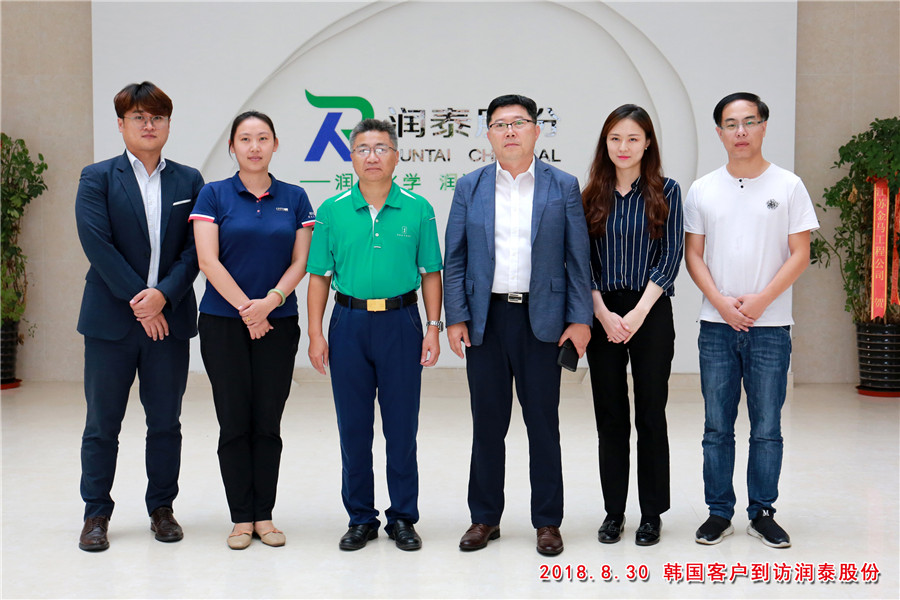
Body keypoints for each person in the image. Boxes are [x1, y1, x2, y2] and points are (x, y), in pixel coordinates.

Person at [444, 94, 592, 556]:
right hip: (486, 320)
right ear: (488, 134)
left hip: (542, 321)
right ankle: (484, 517)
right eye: (500, 124)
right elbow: (455, 258)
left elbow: (577, 259)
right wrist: (456, 317)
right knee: (487, 424)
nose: (510, 131)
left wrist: (580, 319)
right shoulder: (469, 186)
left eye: (519, 122)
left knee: (543, 424)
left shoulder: (562, 186)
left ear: (536, 130)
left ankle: (547, 521)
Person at [684, 92, 819, 548]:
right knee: (716, 426)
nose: (740, 131)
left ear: (763, 126)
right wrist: (721, 304)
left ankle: (762, 511)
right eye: (731, 123)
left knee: (766, 427)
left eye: (749, 121)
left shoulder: (789, 186)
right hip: (716, 325)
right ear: (719, 132)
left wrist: (761, 301)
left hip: (771, 327)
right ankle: (718, 512)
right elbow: (693, 255)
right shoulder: (703, 188)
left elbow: (800, 253)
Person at [75, 81, 204, 552]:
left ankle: (162, 509)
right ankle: (96, 514)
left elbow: (196, 250)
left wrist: (162, 297)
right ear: (121, 124)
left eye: (157, 117)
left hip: (168, 322)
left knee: (165, 422)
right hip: (111, 323)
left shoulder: (189, 181)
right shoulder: (97, 178)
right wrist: (141, 300)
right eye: (138, 117)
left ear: (168, 124)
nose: (148, 125)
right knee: (102, 424)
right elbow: (97, 245)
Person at [307, 118, 443, 552]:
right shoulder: (331, 210)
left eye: (381, 148)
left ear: (396, 156)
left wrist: (433, 327)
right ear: (351, 157)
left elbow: (431, 272)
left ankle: (402, 517)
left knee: (402, 428)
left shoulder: (418, 208)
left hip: (402, 323)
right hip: (348, 323)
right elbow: (318, 276)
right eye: (363, 149)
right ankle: (360, 518)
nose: (372, 156)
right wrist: (315, 333)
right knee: (353, 428)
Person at [189, 111, 315, 550]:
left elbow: (301, 261)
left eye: (263, 138)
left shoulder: (295, 197)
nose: (254, 146)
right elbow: (207, 261)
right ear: (233, 147)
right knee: (233, 421)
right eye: (245, 139)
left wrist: (269, 304)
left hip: (278, 323)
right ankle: (241, 518)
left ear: (275, 144)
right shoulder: (213, 194)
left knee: (267, 421)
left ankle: (265, 515)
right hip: (223, 323)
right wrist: (248, 309)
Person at [582, 105, 683, 547]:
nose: (623, 147)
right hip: (603, 312)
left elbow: (671, 256)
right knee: (610, 417)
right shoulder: (590, 195)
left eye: (633, 139)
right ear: (605, 143)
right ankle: (614, 512)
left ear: (647, 144)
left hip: (651, 309)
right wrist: (603, 313)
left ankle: (651, 513)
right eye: (615, 139)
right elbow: (580, 261)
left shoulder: (667, 191)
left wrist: (638, 313)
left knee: (651, 414)